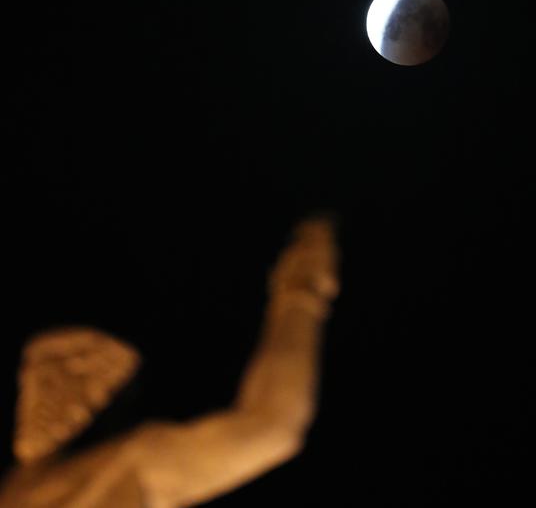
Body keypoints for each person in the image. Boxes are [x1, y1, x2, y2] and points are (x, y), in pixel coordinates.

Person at [0, 216, 340, 507]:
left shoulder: (123, 466)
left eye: (75, 372)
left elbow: (270, 427)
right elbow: (271, 427)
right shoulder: (117, 466)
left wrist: (301, 290)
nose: (44, 390)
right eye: (40, 376)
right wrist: (302, 290)